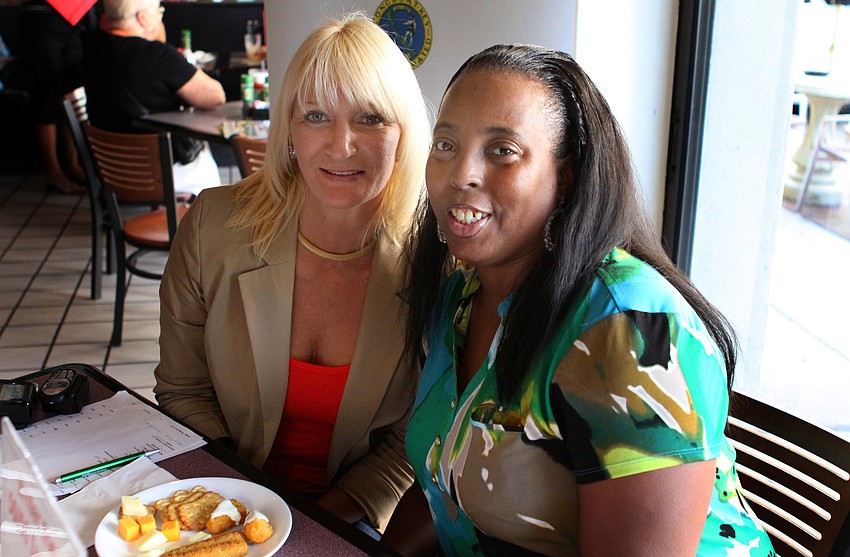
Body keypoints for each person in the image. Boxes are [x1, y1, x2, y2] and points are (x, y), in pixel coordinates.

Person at [381, 44, 775, 556]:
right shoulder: (461, 296)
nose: (461, 175)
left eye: (503, 150)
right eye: (445, 145)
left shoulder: (631, 331)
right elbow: (438, 488)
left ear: (564, 177)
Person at [154, 13, 431, 532]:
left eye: (371, 118)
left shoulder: (436, 263)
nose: (341, 145)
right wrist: (243, 510)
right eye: (317, 116)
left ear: (404, 132)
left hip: (353, 518)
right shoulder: (212, 228)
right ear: (288, 130)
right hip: (225, 502)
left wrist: (307, 526)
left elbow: (414, 441)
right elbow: (182, 392)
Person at [82, 0, 226, 197]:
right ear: (143, 17)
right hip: (158, 173)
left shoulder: (91, 49)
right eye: (159, 11)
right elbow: (215, 96)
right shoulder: (156, 54)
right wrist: (159, 39)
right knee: (206, 164)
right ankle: (200, 224)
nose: (161, 16)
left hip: (110, 172)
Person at [19, 0, 97, 194]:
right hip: (41, 15)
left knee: (72, 92)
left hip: (76, 17)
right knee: (46, 94)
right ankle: (52, 170)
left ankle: (72, 164)